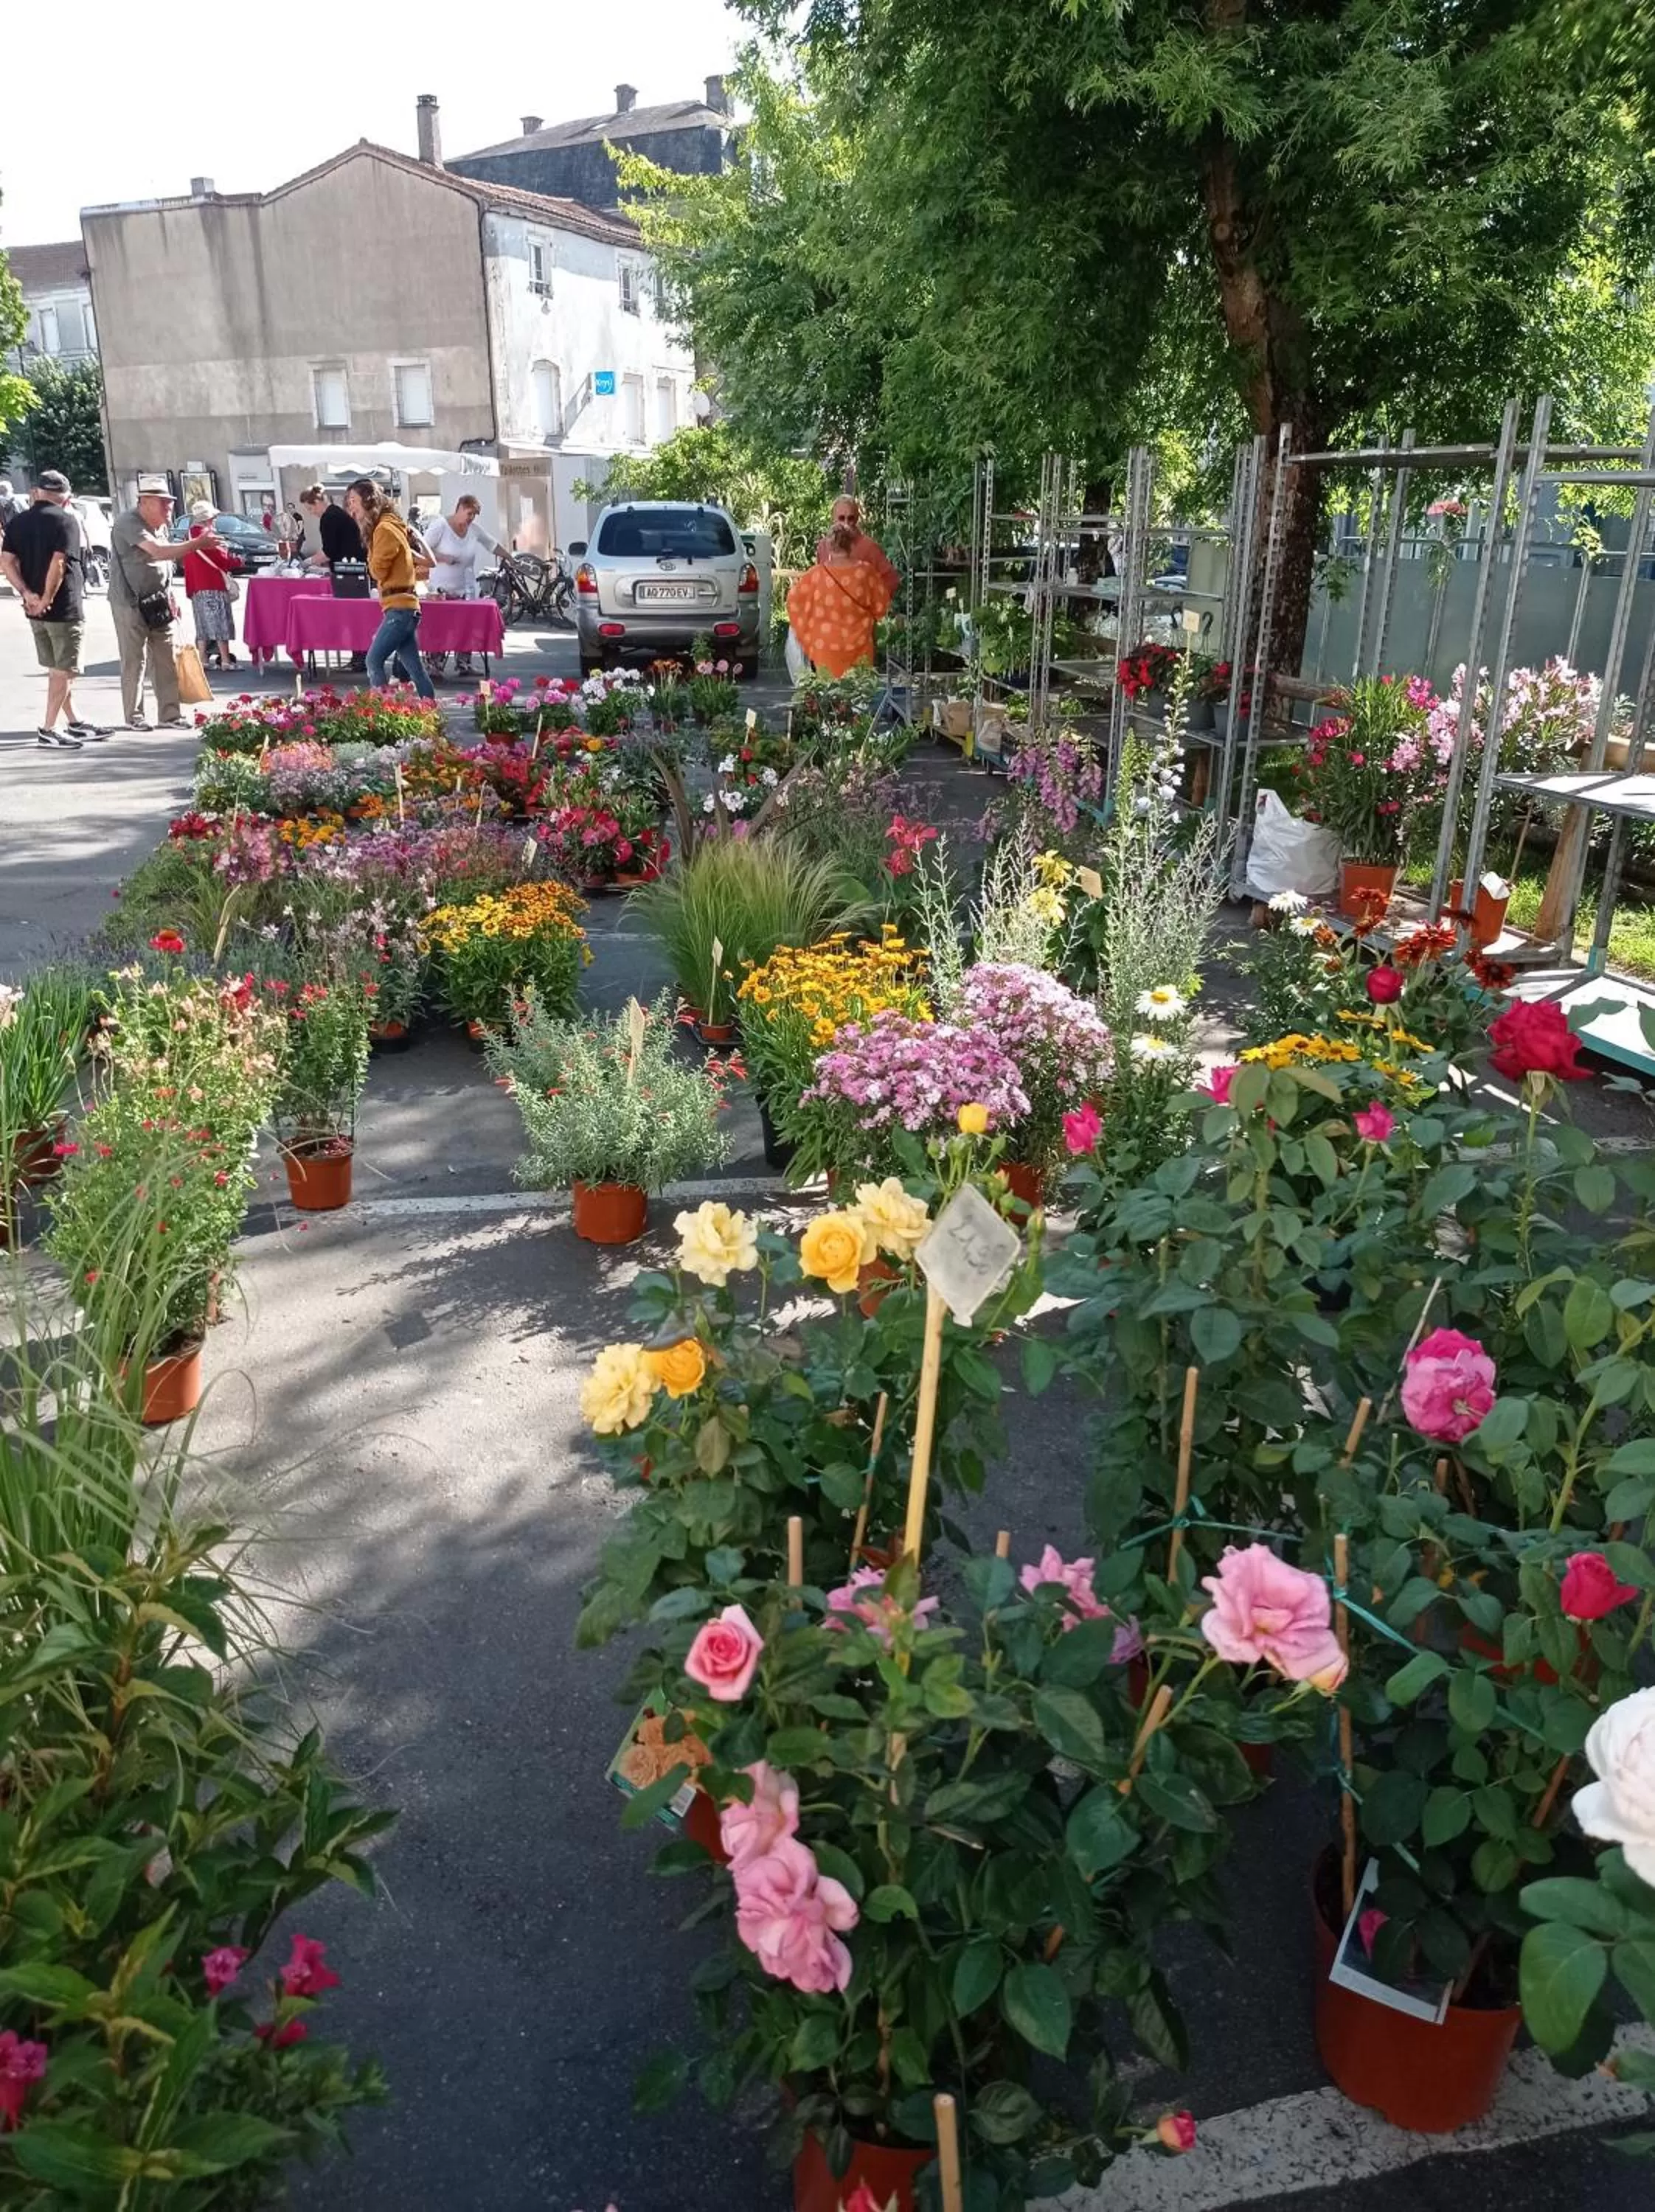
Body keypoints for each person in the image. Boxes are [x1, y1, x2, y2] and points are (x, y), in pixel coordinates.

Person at [0, 472, 108, 748]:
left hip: (33, 608)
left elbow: (6, 561)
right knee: (65, 670)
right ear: (65, 496)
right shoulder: (66, 520)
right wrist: (47, 598)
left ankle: (74, 721)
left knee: (56, 668)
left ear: (38, 492)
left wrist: (27, 593)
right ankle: (49, 728)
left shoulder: (18, 522)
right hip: (62, 606)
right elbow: (59, 563)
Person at [108, 476, 213, 729]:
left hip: (158, 600)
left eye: (170, 501)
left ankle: (169, 715)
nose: (169, 507)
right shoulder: (129, 522)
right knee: (134, 660)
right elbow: (157, 551)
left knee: (166, 658)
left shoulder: (161, 524)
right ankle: (134, 716)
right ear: (145, 502)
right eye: (163, 502)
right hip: (130, 603)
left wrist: (170, 595)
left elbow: (165, 563)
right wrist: (197, 544)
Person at [345, 476, 436, 700]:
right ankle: (431, 707)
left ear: (368, 501)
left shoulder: (384, 529)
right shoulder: (391, 527)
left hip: (399, 609)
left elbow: (377, 571)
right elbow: (426, 563)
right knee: (414, 668)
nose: (351, 507)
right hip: (405, 607)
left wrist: (370, 553)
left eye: (353, 501)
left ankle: (382, 708)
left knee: (373, 660)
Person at [785, 520, 895, 678]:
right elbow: (881, 607)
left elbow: (793, 602)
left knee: (829, 691)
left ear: (829, 545)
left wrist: (811, 627)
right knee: (859, 690)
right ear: (852, 544)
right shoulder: (866, 572)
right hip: (860, 648)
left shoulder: (816, 575)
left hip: (825, 648)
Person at [421, 493, 499, 676]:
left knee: (466, 625)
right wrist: (443, 558)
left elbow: (492, 544)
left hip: (465, 587)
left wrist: (510, 558)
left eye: (474, 515)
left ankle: (464, 663)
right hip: (441, 589)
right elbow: (422, 548)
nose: (471, 519)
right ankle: (434, 664)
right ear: (460, 509)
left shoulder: (474, 530)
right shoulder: (440, 526)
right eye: (469, 514)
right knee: (439, 627)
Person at [299, 485, 369, 671]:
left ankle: (360, 658)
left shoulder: (329, 518)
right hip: (355, 568)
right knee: (356, 616)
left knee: (353, 617)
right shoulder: (337, 514)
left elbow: (328, 551)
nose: (311, 513)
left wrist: (306, 563)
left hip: (349, 572)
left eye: (310, 508)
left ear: (318, 502)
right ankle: (360, 657)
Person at [181, 498, 243, 670]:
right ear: (207, 519)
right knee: (221, 624)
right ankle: (226, 661)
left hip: (196, 586)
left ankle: (203, 660)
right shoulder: (207, 536)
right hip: (213, 584)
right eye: (213, 517)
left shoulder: (188, 536)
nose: (215, 520)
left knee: (202, 625)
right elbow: (223, 559)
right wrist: (239, 561)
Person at [813, 495, 899, 600]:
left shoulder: (869, 547)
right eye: (841, 518)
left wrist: (873, 602)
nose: (846, 524)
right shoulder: (823, 546)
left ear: (857, 519)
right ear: (833, 519)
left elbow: (890, 580)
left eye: (851, 518)